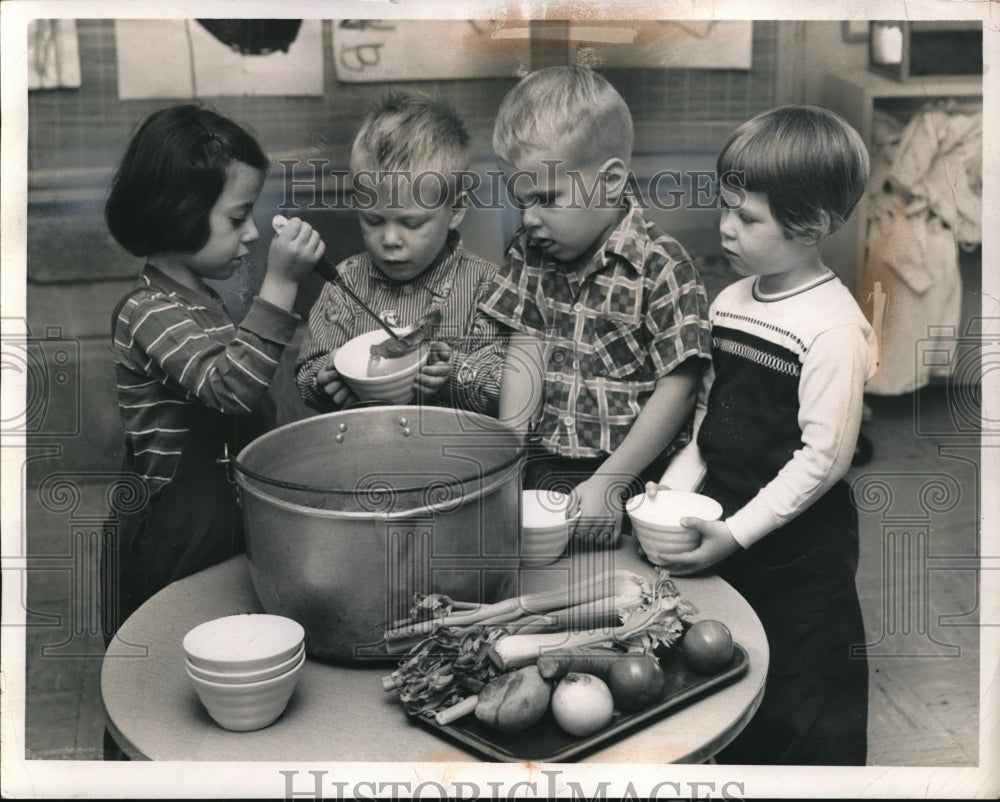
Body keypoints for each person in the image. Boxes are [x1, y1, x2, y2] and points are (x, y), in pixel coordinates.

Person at [649, 105, 877, 765]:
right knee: (730, 671)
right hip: (729, 520)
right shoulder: (729, 302)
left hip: (801, 549)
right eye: (725, 209)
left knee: (803, 697)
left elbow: (823, 461)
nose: (725, 228)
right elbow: (708, 422)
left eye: (747, 218)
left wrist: (738, 531)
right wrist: (669, 495)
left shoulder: (832, 329)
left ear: (809, 225)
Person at [103, 105, 325, 641]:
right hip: (173, 539)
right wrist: (282, 282)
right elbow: (231, 387)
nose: (251, 233)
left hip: (219, 524)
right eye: (236, 217)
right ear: (179, 211)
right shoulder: (146, 310)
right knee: (162, 667)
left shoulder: (203, 299)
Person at [479, 66, 712, 544]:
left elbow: (681, 389)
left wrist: (610, 480)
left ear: (608, 182)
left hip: (635, 474)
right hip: (544, 467)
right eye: (520, 201)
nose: (529, 219)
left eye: (546, 199)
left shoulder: (662, 266)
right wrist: (508, 459)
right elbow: (525, 358)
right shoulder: (529, 254)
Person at [295, 92, 506, 416]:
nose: (390, 239)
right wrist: (325, 378)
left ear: (456, 210)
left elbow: (506, 385)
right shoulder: (344, 285)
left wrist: (455, 373)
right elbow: (307, 373)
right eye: (373, 220)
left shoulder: (486, 287)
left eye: (412, 223)